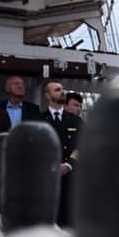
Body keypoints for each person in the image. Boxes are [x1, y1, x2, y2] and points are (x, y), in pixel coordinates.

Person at [41, 79, 82, 227]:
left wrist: (68, 165)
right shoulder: (39, 119)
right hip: (45, 177)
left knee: (68, 223)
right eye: (57, 90)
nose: (62, 92)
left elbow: (81, 147)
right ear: (47, 95)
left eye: (62, 89)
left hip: (70, 178)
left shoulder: (76, 121)